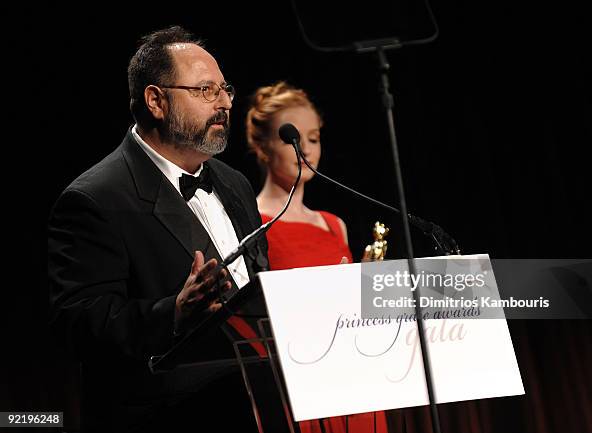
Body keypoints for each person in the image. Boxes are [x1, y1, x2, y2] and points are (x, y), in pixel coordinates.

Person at [48, 26, 268, 432]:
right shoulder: (95, 198)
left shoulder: (234, 182)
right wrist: (175, 312)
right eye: (205, 90)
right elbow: (79, 325)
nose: (224, 103)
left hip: (255, 408)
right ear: (156, 101)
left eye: (225, 89)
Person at [245, 82, 388, 433]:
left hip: (356, 382)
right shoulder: (251, 225)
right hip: (299, 388)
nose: (304, 149)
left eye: (313, 138)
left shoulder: (333, 225)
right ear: (262, 146)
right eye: (291, 139)